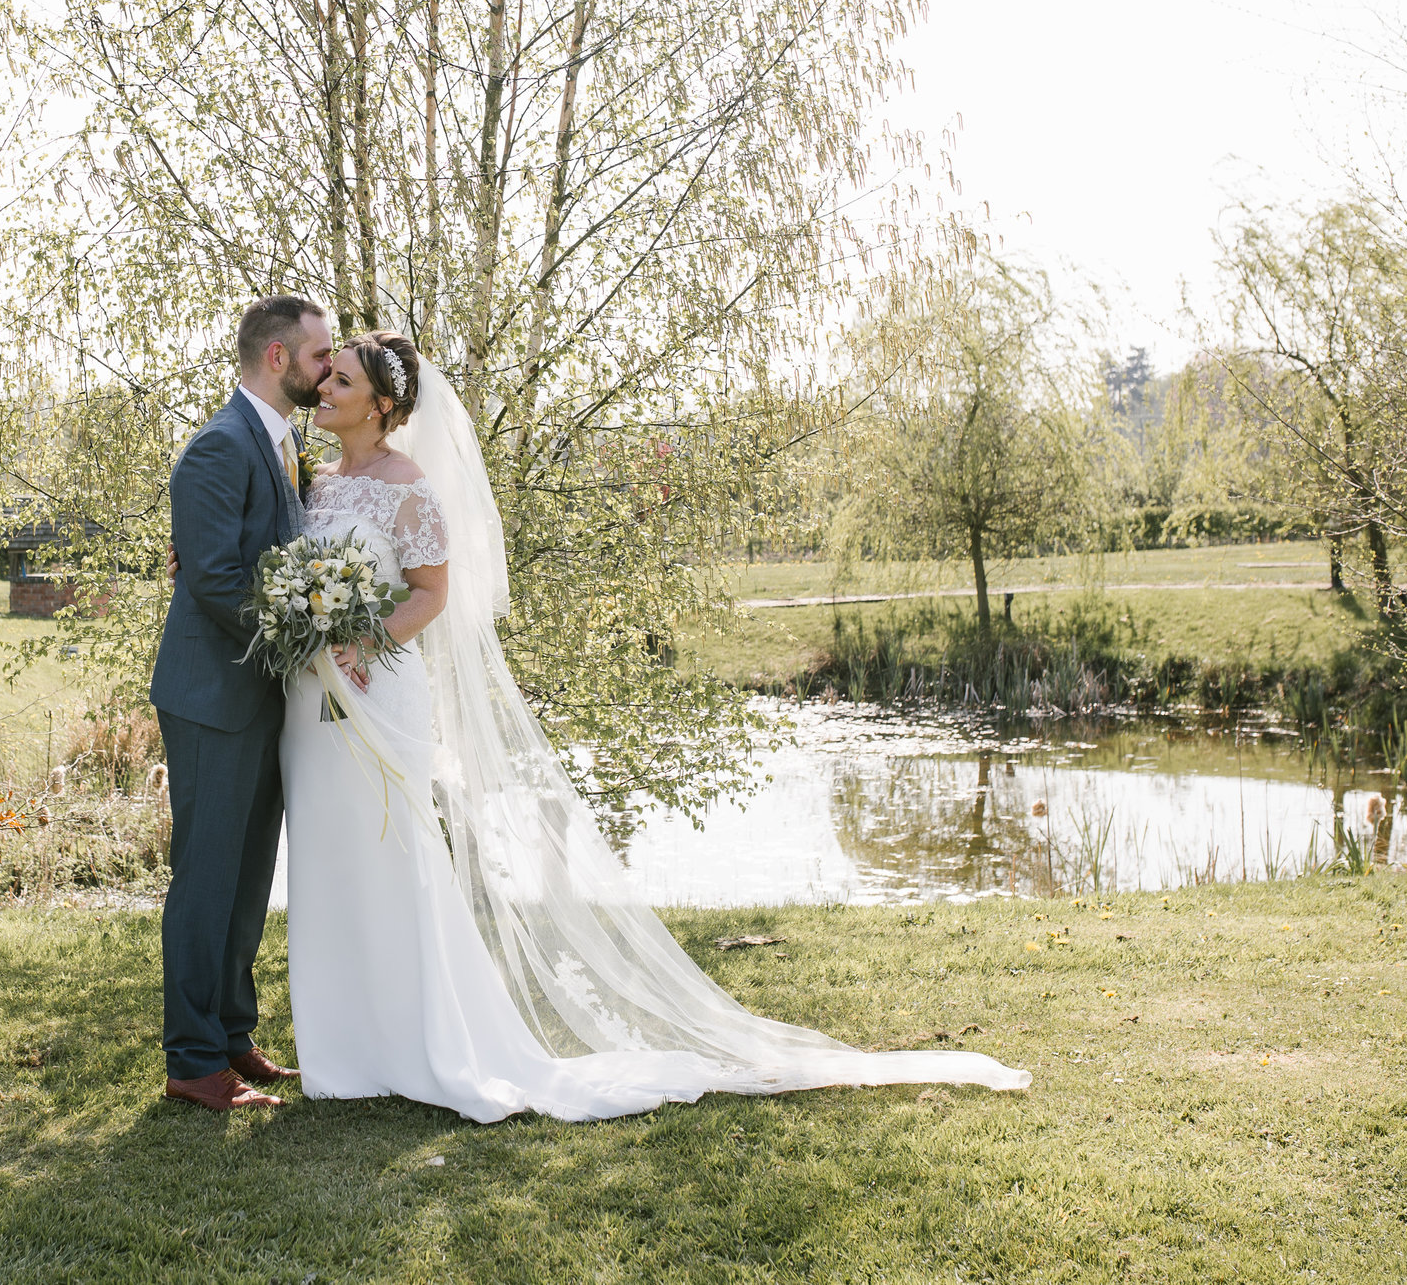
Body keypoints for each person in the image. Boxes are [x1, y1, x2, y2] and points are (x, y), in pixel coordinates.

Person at [277, 331, 1031, 1120]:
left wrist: (366, 641)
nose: (323, 386)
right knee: (331, 852)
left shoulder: (411, 488)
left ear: (383, 403)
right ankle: (345, 1050)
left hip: (379, 687)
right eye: (326, 376)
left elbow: (431, 593)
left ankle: (417, 1041)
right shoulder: (319, 485)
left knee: (394, 853)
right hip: (313, 701)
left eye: (341, 378)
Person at [147, 293, 332, 1112]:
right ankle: (192, 1060)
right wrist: (306, 634)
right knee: (207, 876)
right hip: (213, 692)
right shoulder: (218, 448)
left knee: (250, 872)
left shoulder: (283, 446)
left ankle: (231, 1034)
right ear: (279, 358)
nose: (330, 368)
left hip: (261, 691)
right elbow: (218, 577)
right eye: (322, 353)